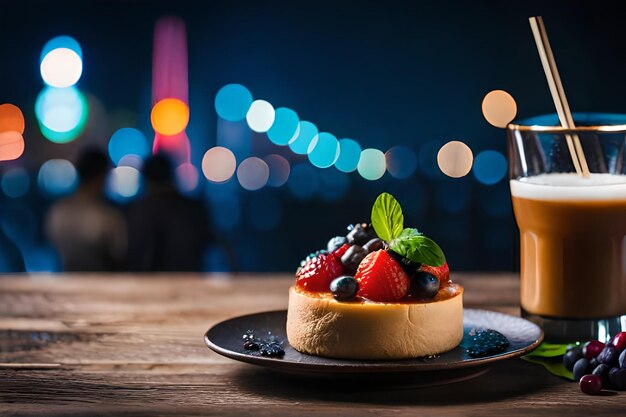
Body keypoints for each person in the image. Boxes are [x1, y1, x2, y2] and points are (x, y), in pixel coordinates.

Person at [126, 154, 212, 271]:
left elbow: (135, 255)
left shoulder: (140, 211)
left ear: (146, 180)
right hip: (189, 279)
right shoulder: (193, 209)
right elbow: (218, 244)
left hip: (150, 282)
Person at [46, 149, 127, 271]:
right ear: (101, 177)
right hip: (102, 285)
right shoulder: (107, 216)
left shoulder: (57, 211)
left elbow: (51, 249)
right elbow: (120, 254)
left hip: (64, 284)